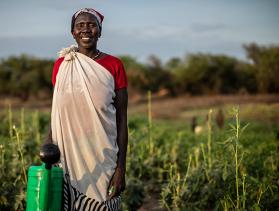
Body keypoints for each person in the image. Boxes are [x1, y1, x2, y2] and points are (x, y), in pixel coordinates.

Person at [46, 8, 128, 210]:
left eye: (91, 25)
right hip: (67, 155)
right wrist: (47, 144)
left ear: (100, 31)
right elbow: (57, 111)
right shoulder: (62, 64)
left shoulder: (114, 65)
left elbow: (122, 120)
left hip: (103, 156)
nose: (86, 29)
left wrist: (121, 169)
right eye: (80, 25)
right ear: (73, 32)